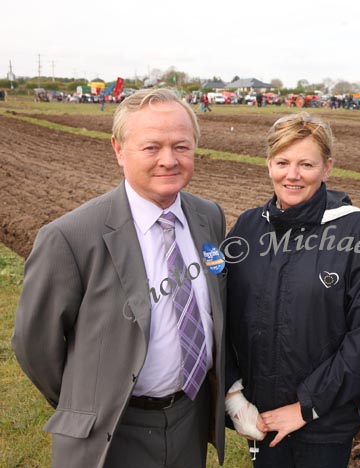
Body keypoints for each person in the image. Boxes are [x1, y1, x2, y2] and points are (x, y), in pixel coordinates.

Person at [12, 88, 227, 468]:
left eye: (181, 146)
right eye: (151, 147)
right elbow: (35, 345)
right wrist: (89, 403)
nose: (169, 160)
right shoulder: (71, 237)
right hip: (115, 430)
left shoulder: (208, 216)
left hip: (189, 419)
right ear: (118, 149)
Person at [223, 112, 360, 468]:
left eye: (306, 164)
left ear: (326, 168)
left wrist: (306, 407)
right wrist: (235, 397)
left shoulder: (355, 232)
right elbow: (222, 317)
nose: (292, 174)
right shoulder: (247, 228)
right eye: (282, 162)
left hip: (324, 424)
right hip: (261, 419)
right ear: (269, 165)